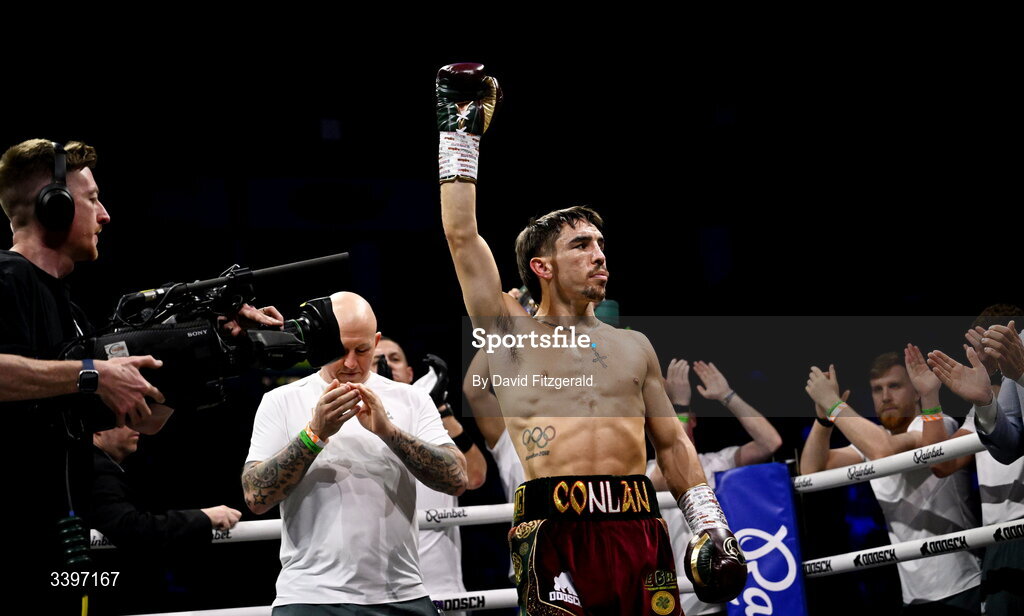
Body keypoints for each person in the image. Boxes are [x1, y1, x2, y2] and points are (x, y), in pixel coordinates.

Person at [437, 63, 745, 615]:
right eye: (580, 245)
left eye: (600, 243)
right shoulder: (508, 335)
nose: (599, 254)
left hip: (637, 524)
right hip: (554, 529)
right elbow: (462, 237)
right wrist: (457, 130)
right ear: (543, 266)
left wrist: (710, 527)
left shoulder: (634, 347)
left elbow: (673, 446)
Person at [0, 139, 272, 608]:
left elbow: (144, 421)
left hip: (62, 550)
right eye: (92, 199)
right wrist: (95, 375)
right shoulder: (7, 278)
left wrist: (218, 348)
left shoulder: (72, 312)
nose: (104, 215)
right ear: (54, 206)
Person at [241, 291, 468, 614]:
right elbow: (255, 495)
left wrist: (389, 432)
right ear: (320, 342)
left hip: (402, 594)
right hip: (311, 596)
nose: (350, 363)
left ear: (376, 341)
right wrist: (313, 435)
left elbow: (458, 479)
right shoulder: (282, 401)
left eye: (362, 350)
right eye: (340, 350)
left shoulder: (411, 399)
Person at [800, 353, 981, 615]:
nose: (885, 397)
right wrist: (823, 419)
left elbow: (883, 451)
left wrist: (834, 403)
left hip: (962, 585)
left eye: (894, 386)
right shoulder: (876, 439)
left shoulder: (935, 427)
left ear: (917, 392)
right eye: (877, 389)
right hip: (913, 595)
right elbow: (812, 469)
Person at [911, 310, 1024, 616]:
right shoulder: (982, 410)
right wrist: (930, 397)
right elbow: (940, 464)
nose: (977, 354)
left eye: (986, 343)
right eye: (973, 345)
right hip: (998, 541)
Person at [648, 359, 782, 616]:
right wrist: (677, 405)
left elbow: (770, 442)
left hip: (721, 597)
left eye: (679, 418)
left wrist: (726, 395)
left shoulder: (719, 462)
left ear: (693, 420)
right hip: (671, 602)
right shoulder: (648, 470)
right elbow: (673, 466)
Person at [373, 337, 486, 614]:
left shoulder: (432, 422)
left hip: (441, 584)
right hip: (378, 588)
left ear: (411, 373)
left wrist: (442, 409)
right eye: (378, 361)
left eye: (395, 359)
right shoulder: (354, 422)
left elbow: (474, 477)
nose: (388, 365)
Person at [90, 425, 242, 550]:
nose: (136, 426)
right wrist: (205, 517)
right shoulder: (96, 467)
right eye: (126, 419)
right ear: (99, 428)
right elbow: (130, 529)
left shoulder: (103, 465)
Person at [928, 321, 1024, 465]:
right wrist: (985, 405)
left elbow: (944, 465)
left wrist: (1022, 375)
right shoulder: (1020, 342)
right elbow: (1010, 446)